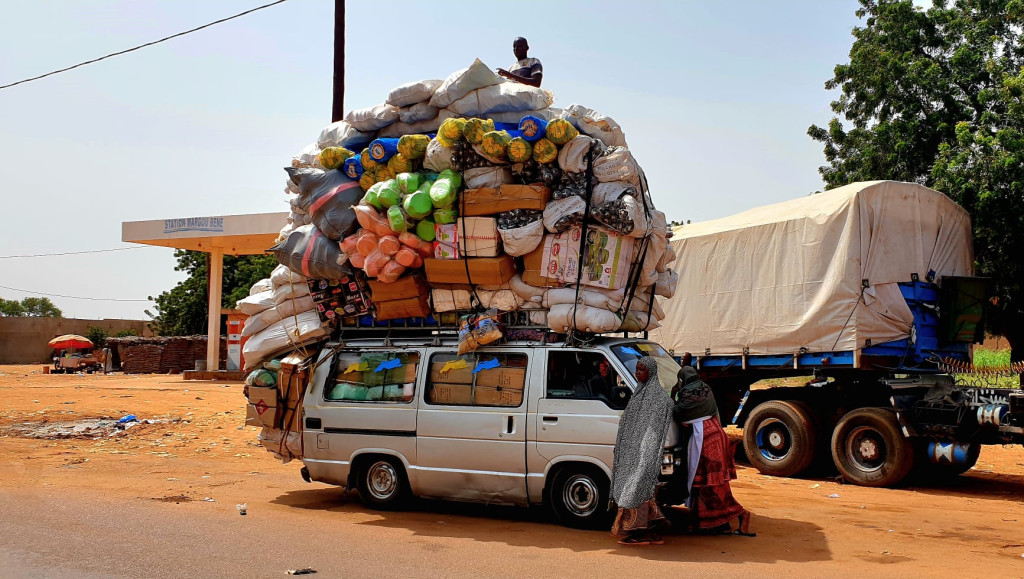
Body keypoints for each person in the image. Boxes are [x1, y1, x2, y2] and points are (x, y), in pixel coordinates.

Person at [671, 364, 754, 536]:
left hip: (706, 441)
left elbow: (679, 414)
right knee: (707, 484)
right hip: (716, 434)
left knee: (708, 485)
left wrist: (673, 395)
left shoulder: (688, 394)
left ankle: (741, 514)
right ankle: (709, 523)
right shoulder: (705, 388)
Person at [609, 356, 674, 546]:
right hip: (632, 453)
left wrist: (646, 457)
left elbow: (654, 431)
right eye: (637, 369)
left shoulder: (657, 397)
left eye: (641, 370)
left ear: (651, 372)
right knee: (641, 492)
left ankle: (641, 533)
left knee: (635, 491)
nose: (638, 373)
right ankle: (656, 527)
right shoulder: (640, 392)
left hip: (645, 454)